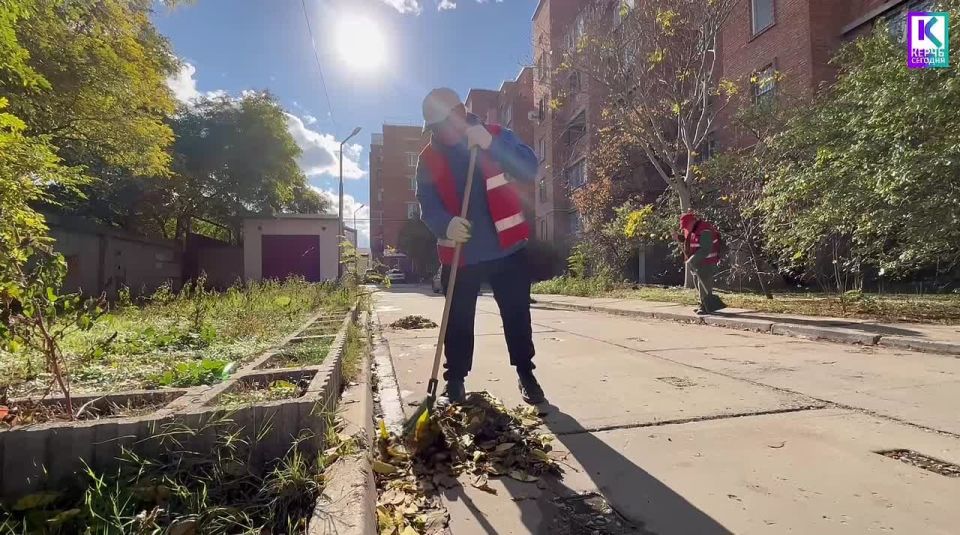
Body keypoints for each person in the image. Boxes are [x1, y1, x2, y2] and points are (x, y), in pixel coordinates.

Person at [415, 87, 544, 405]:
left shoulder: (495, 134)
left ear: (460, 112)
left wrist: (492, 146)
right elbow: (427, 205)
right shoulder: (428, 158)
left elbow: (529, 168)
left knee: (516, 314)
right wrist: (445, 224)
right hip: (460, 255)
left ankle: (526, 373)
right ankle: (455, 380)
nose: (440, 134)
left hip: (507, 250)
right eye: (434, 129)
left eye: (444, 125)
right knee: (457, 320)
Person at [679, 212, 727, 314]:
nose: (685, 229)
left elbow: (706, 249)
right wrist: (679, 238)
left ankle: (705, 306)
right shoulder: (695, 229)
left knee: (703, 283)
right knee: (698, 282)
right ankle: (704, 304)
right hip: (699, 262)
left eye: (686, 226)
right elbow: (690, 241)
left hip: (707, 261)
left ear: (692, 222)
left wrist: (692, 260)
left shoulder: (704, 230)